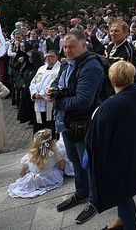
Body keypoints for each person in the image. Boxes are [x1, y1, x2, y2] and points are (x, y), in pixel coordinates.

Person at [85, 60, 136, 230]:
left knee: (123, 194)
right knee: (125, 191)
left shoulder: (110, 105)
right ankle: (121, 220)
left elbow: (99, 140)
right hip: (133, 151)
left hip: (117, 159)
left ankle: (129, 225)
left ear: (111, 78)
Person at [48, 30, 104, 225]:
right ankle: (81, 193)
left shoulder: (91, 67)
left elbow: (83, 100)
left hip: (84, 122)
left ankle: (95, 199)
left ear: (83, 45)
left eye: (71, 46)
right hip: (67, 123)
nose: (67, 50)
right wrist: (52, 91)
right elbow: (57, 82)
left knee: (87, 162)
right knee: (74, 160)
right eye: (65, 47)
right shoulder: (67, 64)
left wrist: (58, 102)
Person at [8, 128, 65, 198]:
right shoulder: (54, 153)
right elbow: (62, 167)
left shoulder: (29, 156)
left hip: (33, 181)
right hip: (50, 179)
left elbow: (21, 173)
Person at [29, 50, 61, 138]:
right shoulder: (42, 68)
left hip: (49, 101)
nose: (48, 58)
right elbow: (33, 82)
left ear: (56, 58)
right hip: (38, 102)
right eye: (47, 56)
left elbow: (53, 84)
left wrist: (42, 94)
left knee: (49, 124)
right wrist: (34, 93)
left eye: (51, 56)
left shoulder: (59, 69)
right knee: (39, 125)